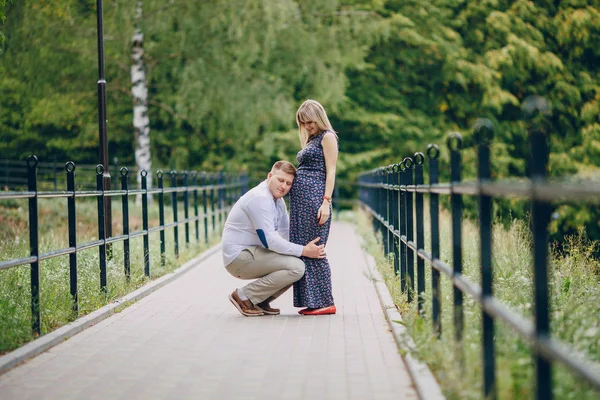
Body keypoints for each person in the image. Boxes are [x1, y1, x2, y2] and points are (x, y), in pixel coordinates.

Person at [222, 160, 326, 317]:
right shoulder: (260, 198)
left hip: (254, 252)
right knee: (296, 267)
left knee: (299, 263)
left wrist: (308, 247)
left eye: (289, 183)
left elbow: (285, 232)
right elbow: (270, 240)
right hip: (239, 258)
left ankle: (259, 300)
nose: (284, 186)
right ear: (270, 176)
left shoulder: (278, 200)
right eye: (280, 180)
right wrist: (304, 250)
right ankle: (244, 296)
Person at [290, 99, 339, 316]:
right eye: (304, 123)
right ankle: (313, 301)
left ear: (318, 117)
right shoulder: (312, 139)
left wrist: (326, 201)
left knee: (315, 249)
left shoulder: (327, 137)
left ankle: (326, 301)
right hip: (302, 203)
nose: (308, 126)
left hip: (315, 199)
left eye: (310, 122)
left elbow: (331, 170)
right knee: (304, 250)